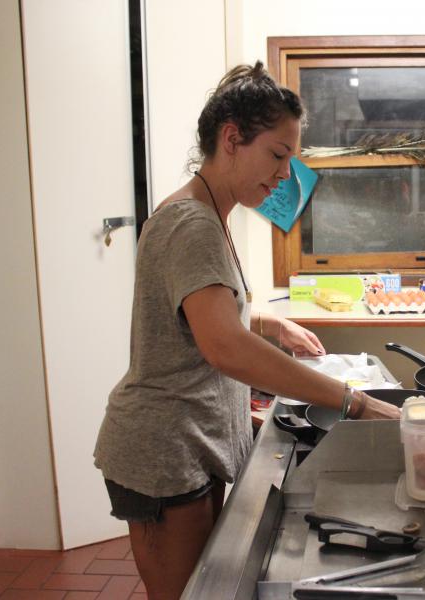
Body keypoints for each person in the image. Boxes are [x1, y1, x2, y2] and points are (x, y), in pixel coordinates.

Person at [93, 61, 401, 600]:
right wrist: (351, 401)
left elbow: (202, 312)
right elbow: (224, 346)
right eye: (278, 155)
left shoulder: (204, 212)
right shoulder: (192, 223)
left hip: (188, 442)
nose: (284, 175)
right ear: (232, 139)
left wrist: (270, 322)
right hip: (165, 449)